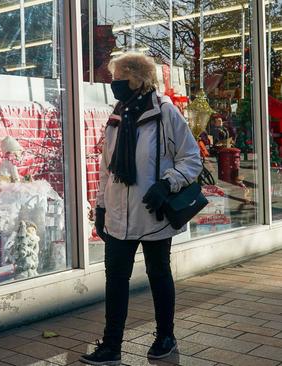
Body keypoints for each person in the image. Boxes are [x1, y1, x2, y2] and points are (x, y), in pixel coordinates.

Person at [80, 53, 202, 365]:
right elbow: (106, 168)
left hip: (154, 214)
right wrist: (101, 208)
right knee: (115, 279)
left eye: (117, 77)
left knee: (158, 273)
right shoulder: (116, 116)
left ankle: (166, 336)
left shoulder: (164, 112)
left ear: (135, 78)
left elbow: (190, 159)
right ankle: (111, 346)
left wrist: (167, 184)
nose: (113, 83)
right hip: (119, 215)